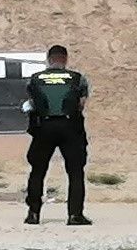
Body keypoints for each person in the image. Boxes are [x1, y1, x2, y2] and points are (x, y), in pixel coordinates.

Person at [23, 45, 92, 226]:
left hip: (43, 127)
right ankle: (75, 215)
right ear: (66, 59)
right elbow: (81, 103)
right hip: (70, 127)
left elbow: (31, 102)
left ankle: (33, 213)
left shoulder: (35, 79)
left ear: (49, 59)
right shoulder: (77, 78)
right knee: (75, 172)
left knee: (37, 171)